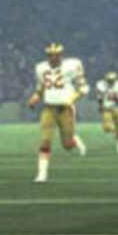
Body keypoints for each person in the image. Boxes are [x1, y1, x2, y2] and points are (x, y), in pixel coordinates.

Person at [28, 43, 87, 183]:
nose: (53, 58)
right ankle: (42, 174)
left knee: (67, 146)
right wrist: (36, 96)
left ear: (61, 55)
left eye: (56, 55)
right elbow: (41, 86)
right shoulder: (40, 67)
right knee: (45, 141)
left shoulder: (73, 65)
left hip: (65, 109)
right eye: (50, 55)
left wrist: (71, 100)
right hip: (49, 108)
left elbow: (83, 88)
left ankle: (74, 139)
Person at [100, 71, 118, 154]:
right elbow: (100, 97)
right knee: (107, 128)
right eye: (108, 80)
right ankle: (117, 134)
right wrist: (101, 106)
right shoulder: (101, 85)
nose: (110, 81)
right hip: (107, 109)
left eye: (111, 80)